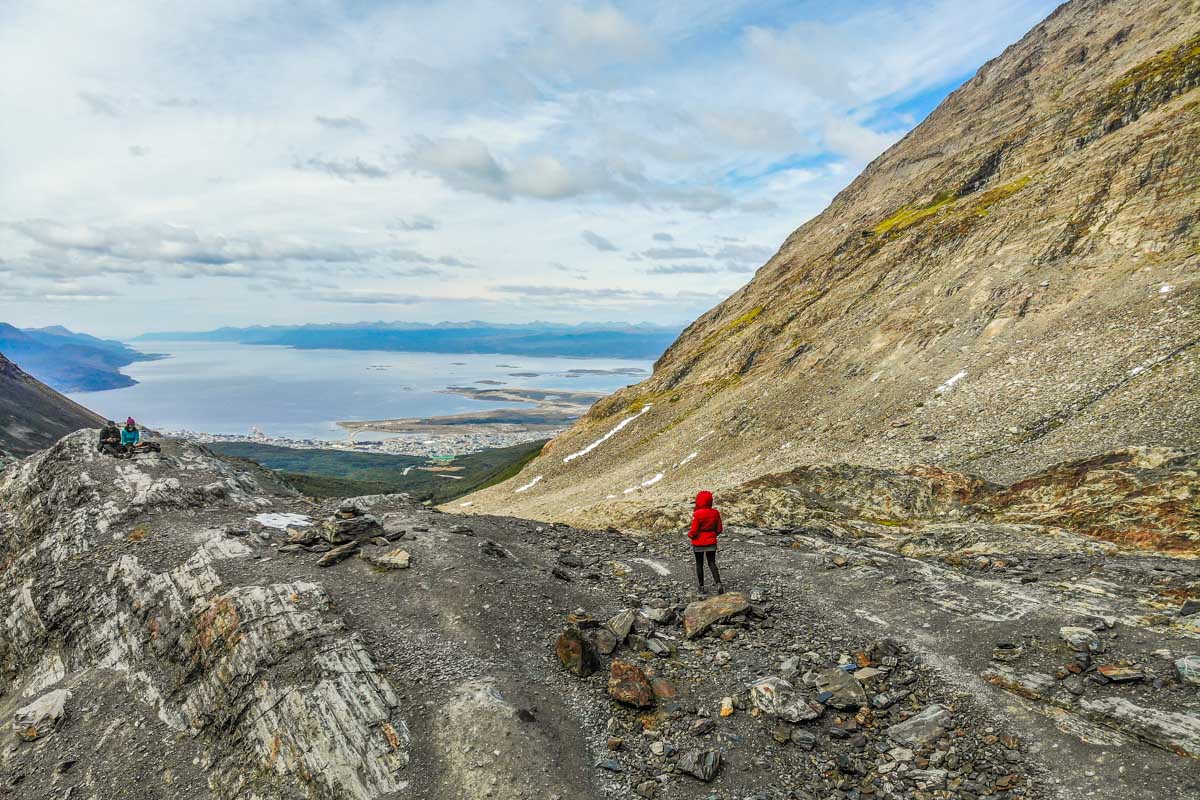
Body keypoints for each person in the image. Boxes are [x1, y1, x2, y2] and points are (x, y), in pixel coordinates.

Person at [687, 490, 724, 595]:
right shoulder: (715, 513)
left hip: (698, 543)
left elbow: (694, 530)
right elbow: (719, 529)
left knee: (699, 564)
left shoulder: (697, 513)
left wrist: (690, 535)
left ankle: (701, 587)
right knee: (712, 563)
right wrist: (712, 536)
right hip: (711, 542)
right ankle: (719, 584)